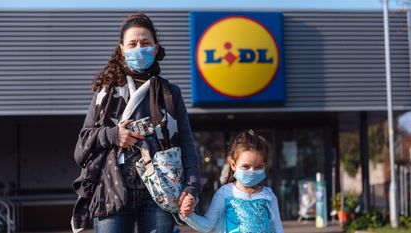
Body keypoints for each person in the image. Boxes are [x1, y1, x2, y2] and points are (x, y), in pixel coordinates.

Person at [71, 13, 201, 233]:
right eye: (132, 43)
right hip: (112, 187)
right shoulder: (106, 92)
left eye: (145, 43)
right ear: (122, 49)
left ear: (156, 47)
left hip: (160, 190)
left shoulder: (170, 93)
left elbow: (186, 143)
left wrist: (192, 187)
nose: (139, 48)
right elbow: (84, 140)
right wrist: (113, 135)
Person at [179, 130, 284, 233]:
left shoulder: (268, 196)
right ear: (233, 165)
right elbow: (207, 225)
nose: (252, 171)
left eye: (259, 167)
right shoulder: (225, 193)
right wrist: (188, 215)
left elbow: (278, 228)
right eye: (246, 166)